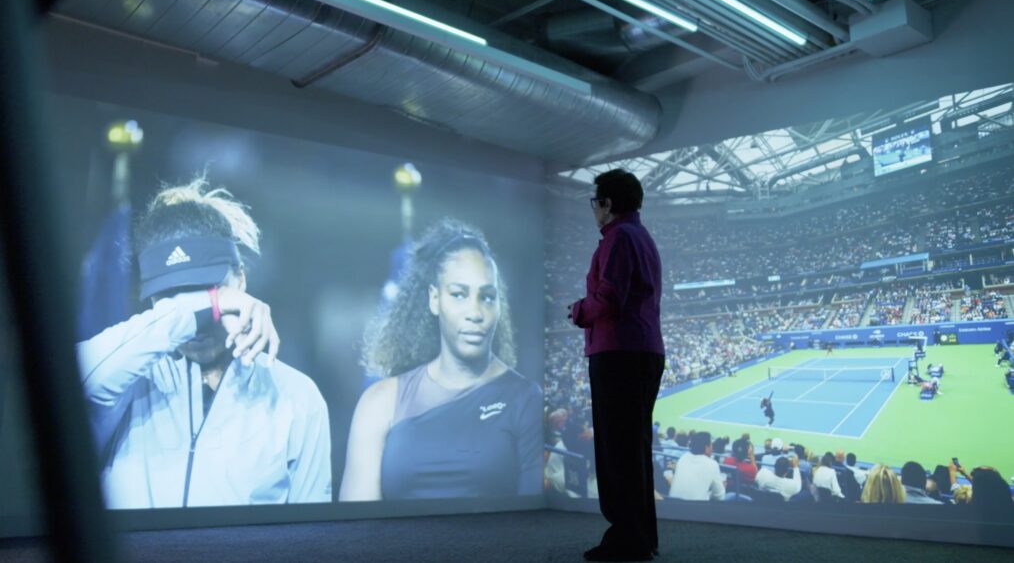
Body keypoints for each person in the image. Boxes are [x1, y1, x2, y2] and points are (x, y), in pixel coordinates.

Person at [76, 179, 331, 508]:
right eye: (170, 296)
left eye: (207, 288)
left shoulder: (297, 395)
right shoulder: (132, 377)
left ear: (239, 280)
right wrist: (203, 306)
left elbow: (311, 536)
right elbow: (76, 380)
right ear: (151, 298)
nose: (196, 322)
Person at [341, 219, 541, 501]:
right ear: (434, 299)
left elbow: (532, 523)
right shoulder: (379, 403)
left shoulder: (524, 398)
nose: (475, 312)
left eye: (487, 297)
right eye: (459, 294)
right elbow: (355, 530)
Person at [568, 169, 664, 562]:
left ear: (607, 204)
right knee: (633, 448)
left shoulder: (618, 238)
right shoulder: (640, 236)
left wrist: (577, 311)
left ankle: (626, 539)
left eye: (596, 202)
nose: (594, 211)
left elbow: (608, 298)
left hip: (618, 351)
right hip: (642, 350)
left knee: (617, 450)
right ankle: (641, 536)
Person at [668, 432, 725, 501]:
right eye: (711, 445)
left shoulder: (683, 457)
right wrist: (722, 487)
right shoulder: (712, 464)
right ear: (706, 448)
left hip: (672, 504)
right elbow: (719, 496)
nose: (712, 448)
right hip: (694, 509)